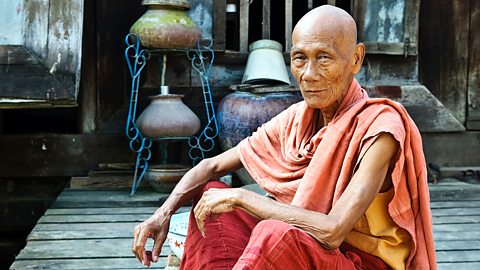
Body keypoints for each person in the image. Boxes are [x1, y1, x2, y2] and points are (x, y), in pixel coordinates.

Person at [132, 5, 436, 270]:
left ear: (355, 59)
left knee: (273, 232)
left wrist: (241, 195)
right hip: (308, 248)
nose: (308, 74)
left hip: (358, 262)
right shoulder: (298, 117)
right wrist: (163, 212)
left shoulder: (381, 128)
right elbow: (211, 167)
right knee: (212, 199)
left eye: (324, 58)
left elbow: (332, 231)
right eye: (300, 58)